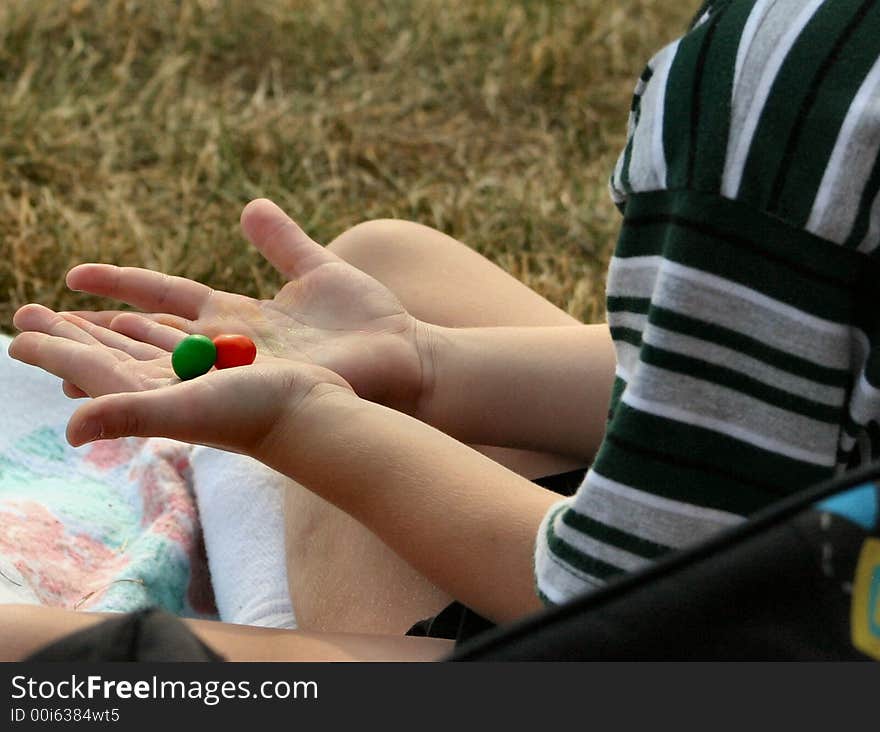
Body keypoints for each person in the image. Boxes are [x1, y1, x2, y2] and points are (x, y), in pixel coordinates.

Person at [5, 0, 880, 659]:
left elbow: (640, 602)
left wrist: (303, 423)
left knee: (56, 675)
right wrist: (429, 364)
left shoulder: (791, 87)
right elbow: (754, 383)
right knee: (394, 260)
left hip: (745, 654)